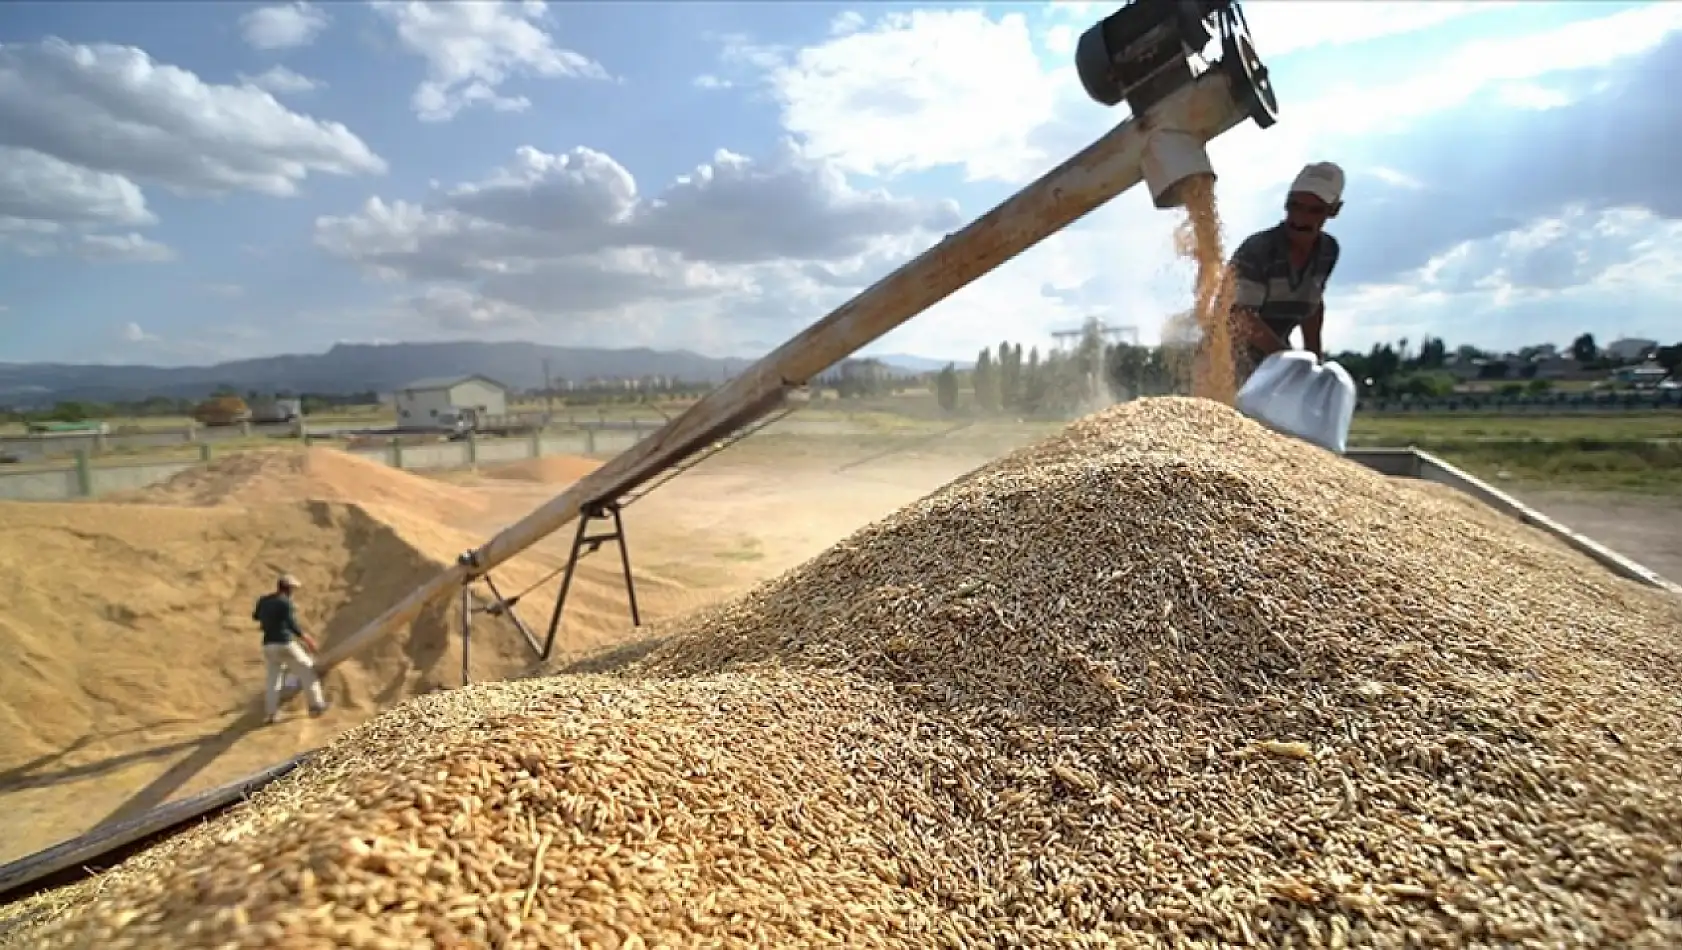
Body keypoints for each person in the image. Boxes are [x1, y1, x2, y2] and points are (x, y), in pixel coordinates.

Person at [1226, 161, 1345, 384]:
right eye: (1295, 206)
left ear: (1334, 211)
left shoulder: (1328, 251)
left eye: (1314, 210)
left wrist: (1314, 364)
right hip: (1226, 360)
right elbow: (1241, 316)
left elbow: (1312, 306)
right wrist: (1289, 363)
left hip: (1272, 362)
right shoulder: (1258, 250)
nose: (1300, 219)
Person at [252, 573, 328, 724]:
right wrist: (307, 639)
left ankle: (272, 714)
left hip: (268, 644)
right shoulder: (285, 602)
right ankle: (316, 706)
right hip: (285, 643)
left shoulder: (264, 600)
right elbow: (292, 625)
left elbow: (255, 616)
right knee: (307, 670)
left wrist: (269, 620)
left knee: (273, 681)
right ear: (288, 589)